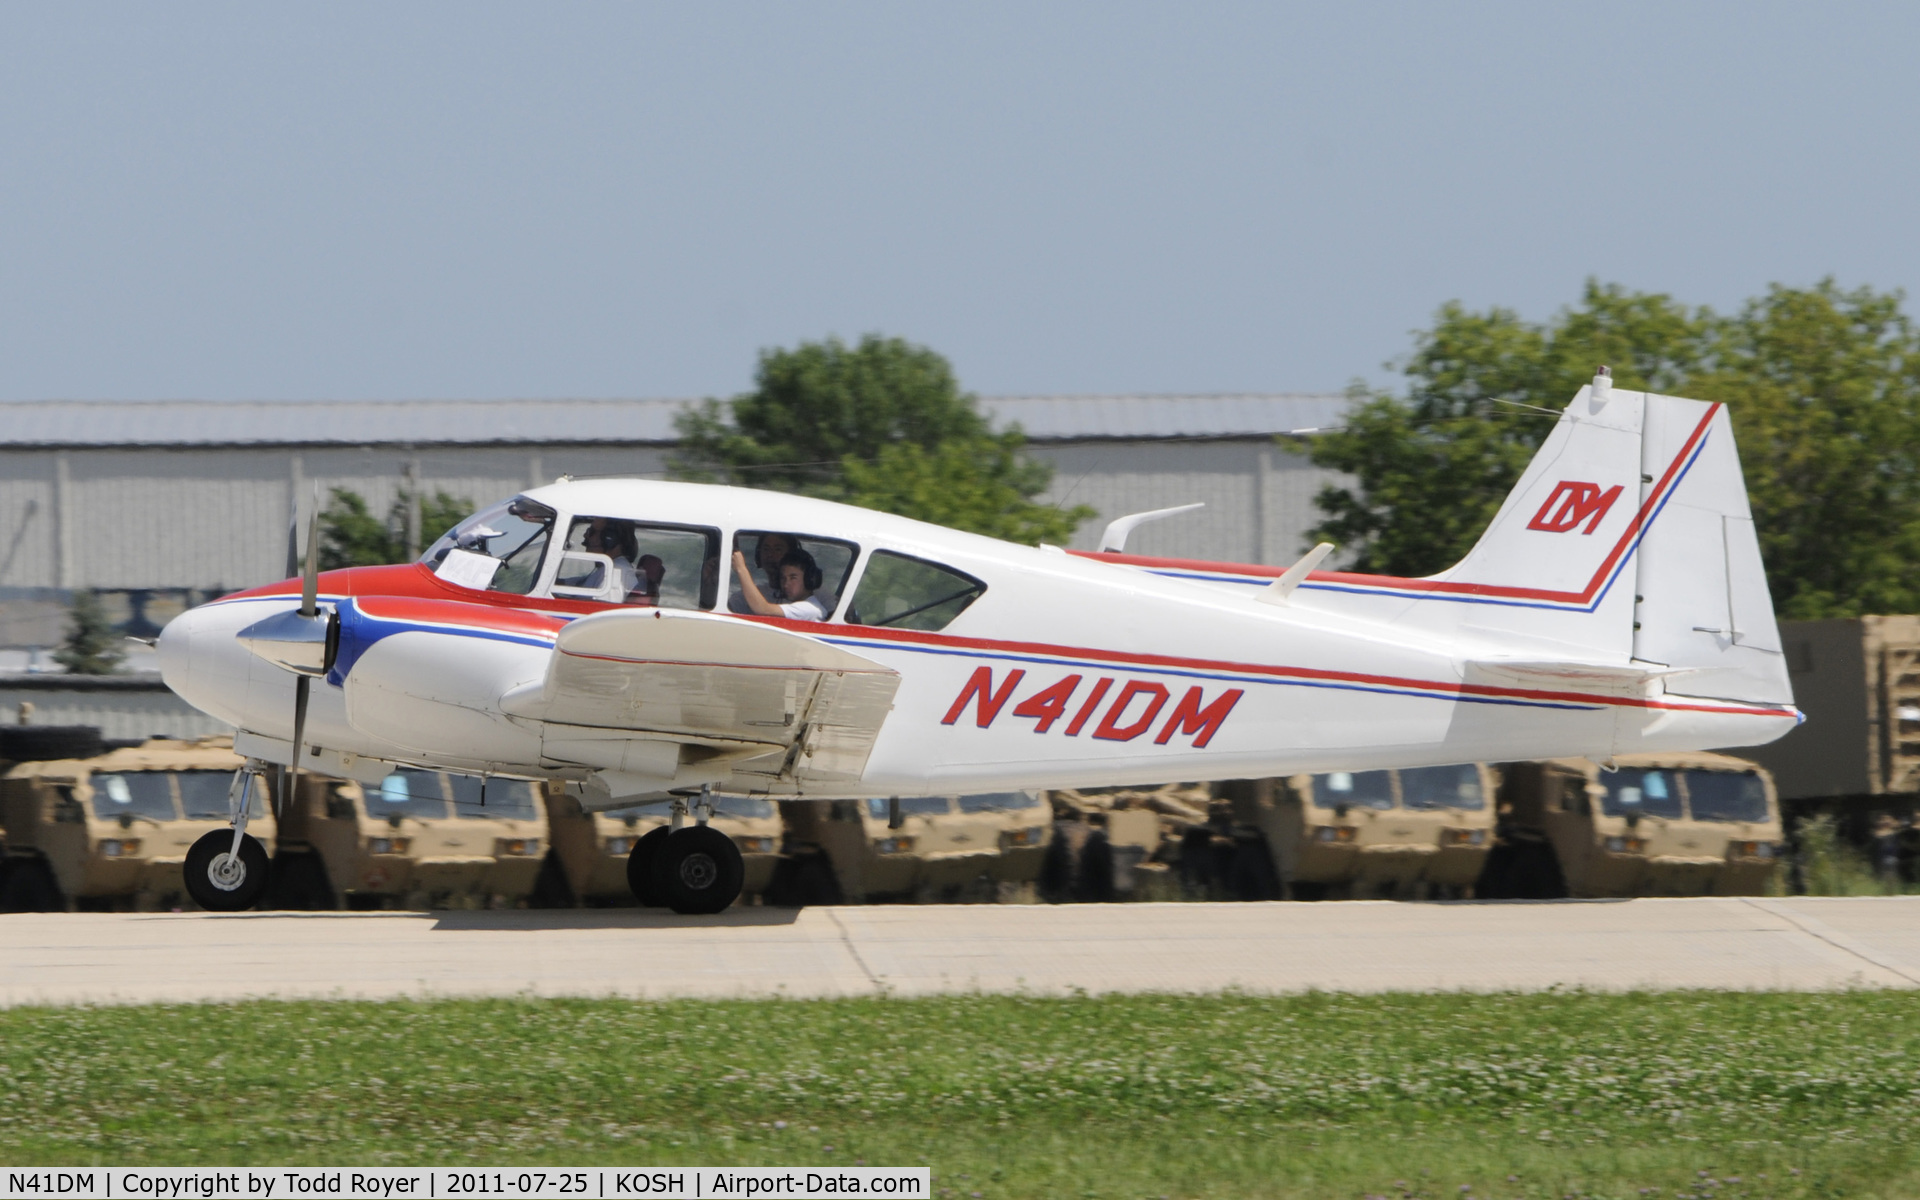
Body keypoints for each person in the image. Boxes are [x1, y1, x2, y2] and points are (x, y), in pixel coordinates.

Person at [732, 546, 828, 620]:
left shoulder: (808, 609)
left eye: (793, 578)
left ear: (809, 578)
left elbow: (763, 609)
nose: (786, 584)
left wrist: (741, 569)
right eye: (783, 578)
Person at [728, 532, 797, 613]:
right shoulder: (751, 594)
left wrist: (741, 568)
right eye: (766, 549)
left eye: (778, 549)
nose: (770, 555)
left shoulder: (803, 601)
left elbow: (763, 610)